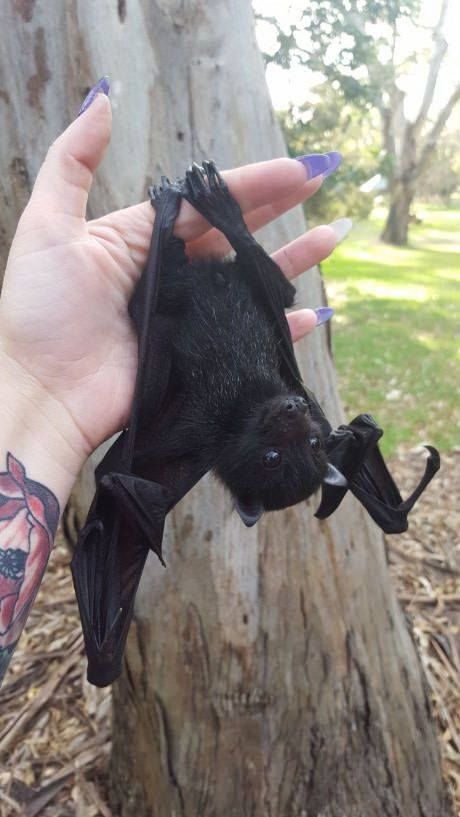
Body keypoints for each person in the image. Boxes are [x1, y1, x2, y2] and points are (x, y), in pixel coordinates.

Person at [0, 79, 350, 681]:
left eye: (273, 452)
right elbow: (265, 290)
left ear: (242, 477)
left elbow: (161, 317)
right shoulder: (284, 389)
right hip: (233, 275)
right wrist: (235, 230)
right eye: (316, 440)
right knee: (279, 287)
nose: (296, 426)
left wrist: (32, 395)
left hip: (174, 294)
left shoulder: (188, 434)